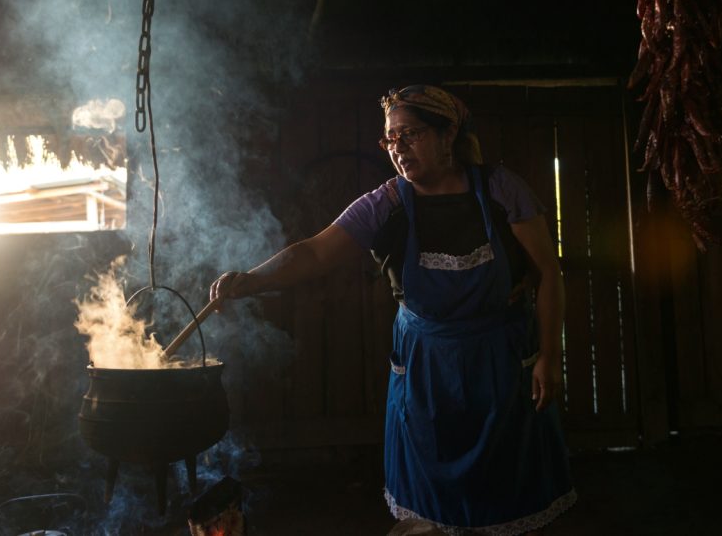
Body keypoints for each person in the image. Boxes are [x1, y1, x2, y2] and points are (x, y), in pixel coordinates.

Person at [210, 85, 575, 535]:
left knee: (507, 491)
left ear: (448, 134)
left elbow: (549, 272)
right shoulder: (387, 204)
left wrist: (549, 357)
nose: (398, 148)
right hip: (426, 371)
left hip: (499, 363)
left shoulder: (501, 190)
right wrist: (251, 280)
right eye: (390, 139)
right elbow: (315, 252)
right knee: (430, 505)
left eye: (411, 134)